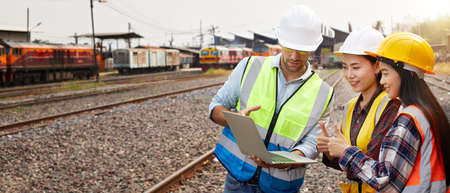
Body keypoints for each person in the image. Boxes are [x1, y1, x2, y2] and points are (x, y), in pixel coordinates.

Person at [209, 5, 334, 193]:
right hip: (237, 179)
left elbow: (312, 143)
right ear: (282, 42)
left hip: (281, 185)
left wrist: (289, 160)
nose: (294, 56)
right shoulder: (250, 66)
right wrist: (235, 120)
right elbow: (215, 107)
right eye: (290, 48)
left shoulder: (324, 93)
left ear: (312, 48)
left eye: (302, 50)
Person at [322, 32, 450, 193]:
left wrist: (345, 151)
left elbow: (385, 180)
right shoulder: (428, 111)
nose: (382, 81)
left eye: (386, 73)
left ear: (407, 73)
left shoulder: (409, 119)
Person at [316, 27, 401, 193]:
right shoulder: (350, 107)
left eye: (356, 67)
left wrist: (344, 151)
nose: (349, 75)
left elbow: (377, 167)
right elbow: (347, 163)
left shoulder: (390, 106)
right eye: (345, 67)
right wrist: (329, 150)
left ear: (377, 66)